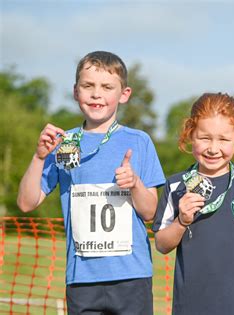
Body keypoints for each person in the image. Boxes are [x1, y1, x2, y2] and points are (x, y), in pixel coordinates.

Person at [17, 51, 165, 314]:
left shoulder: (139, 141)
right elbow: (27, 203)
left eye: (107, 87)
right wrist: (39, 157)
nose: (96, 94)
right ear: (76, 92)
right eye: (88, 86)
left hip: (131, 276)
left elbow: (151, 212)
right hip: (82, 278)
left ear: (124, 94)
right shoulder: (61, 142)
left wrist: (134, 184)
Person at [152, 92, 234, 315]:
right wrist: (181, 222)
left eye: (223, 139)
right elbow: (162, 244)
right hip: (192, 306)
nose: (213, 148)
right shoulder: (176, 186)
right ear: (190, 135)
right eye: (204, 138)